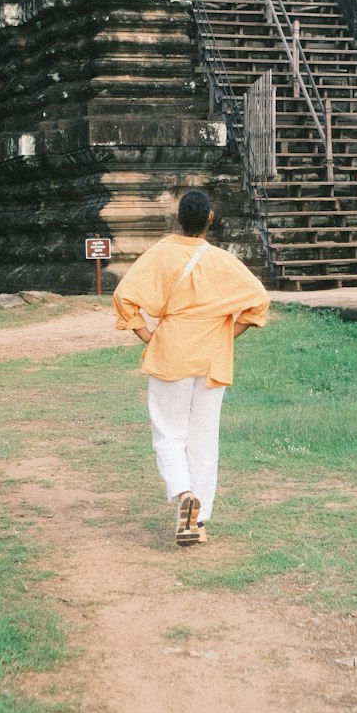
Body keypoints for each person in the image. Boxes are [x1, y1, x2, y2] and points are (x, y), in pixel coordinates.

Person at [112, 188, 269, 546]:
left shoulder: (161, 254)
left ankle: (185, 494)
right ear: (210, 218)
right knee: (203, 438)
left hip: (172, 352)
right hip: (212, 356)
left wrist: (148, 336)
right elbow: (259, 301)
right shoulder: (223, 261)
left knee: (169, 433)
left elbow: (124, 297)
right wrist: (226, 334)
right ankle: (199, 521)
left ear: (179, 218)